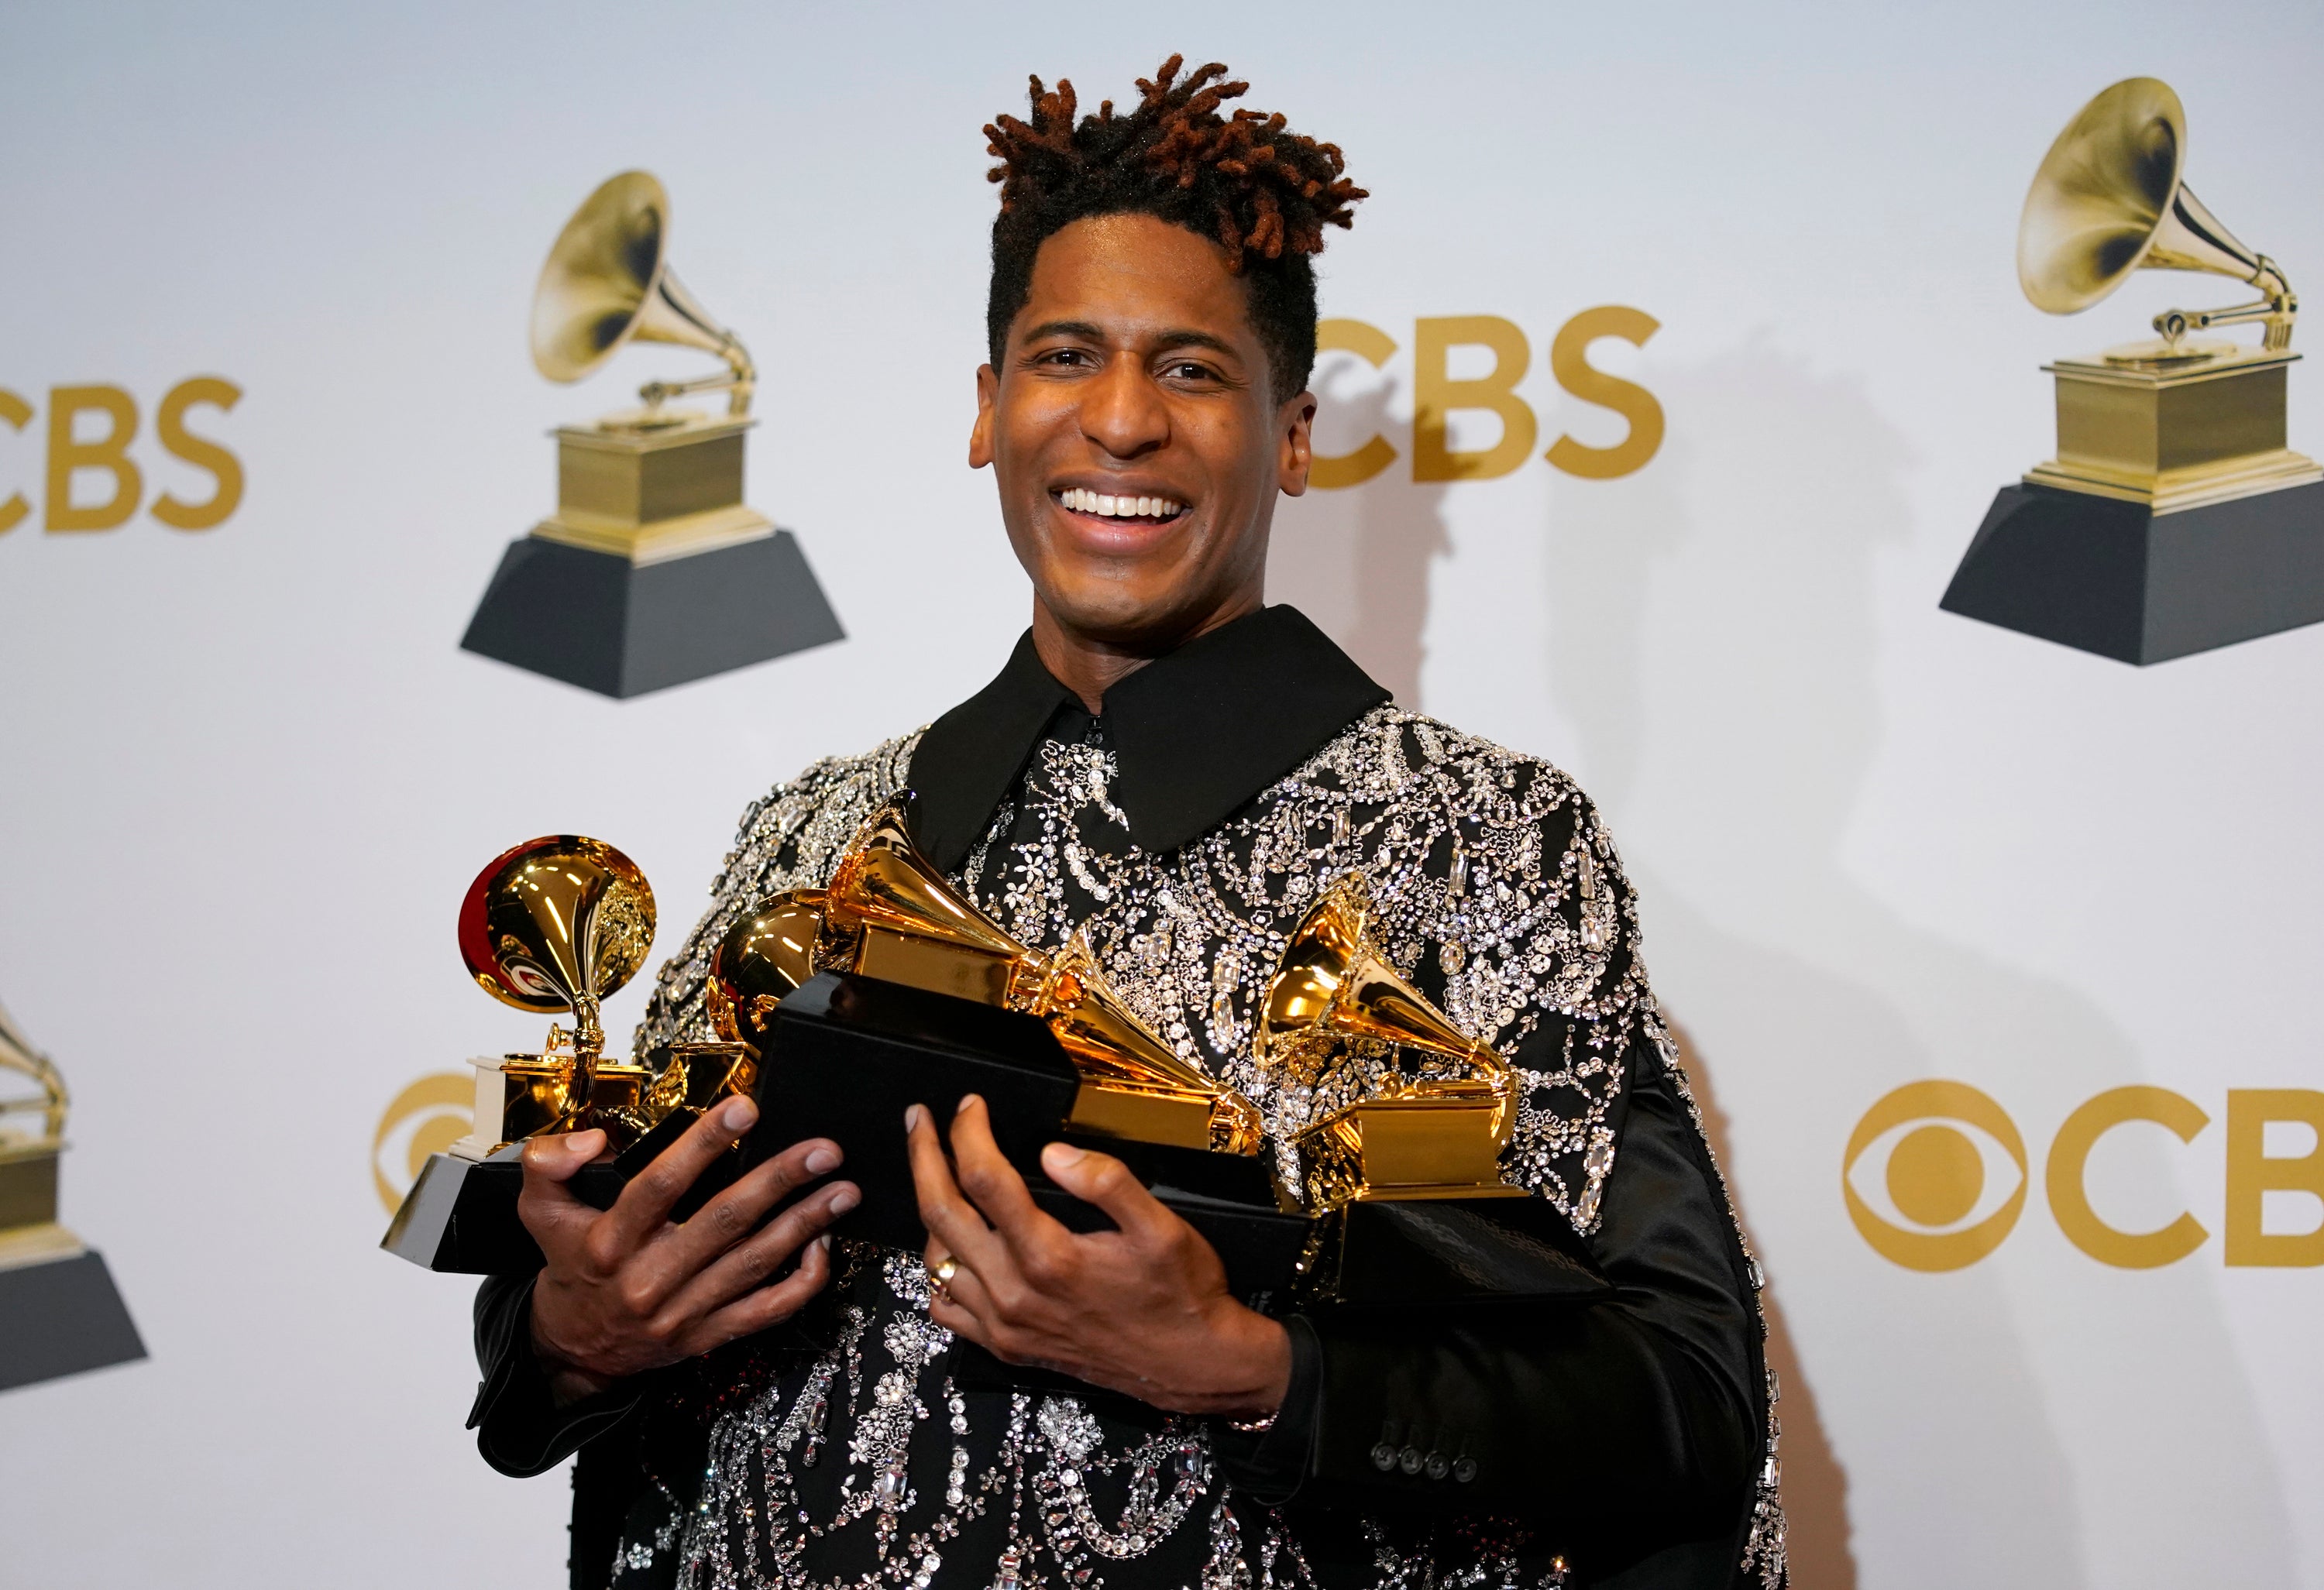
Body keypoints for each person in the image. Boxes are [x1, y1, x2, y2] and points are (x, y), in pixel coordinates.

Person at [469, 57, 1785, 1590]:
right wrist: (577, 1333)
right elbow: (556, 1341)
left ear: (1290, 435)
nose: (1118, 420)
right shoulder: (808, 836)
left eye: (1192, 371)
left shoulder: (1483, 842)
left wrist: (1250, 1367)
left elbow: (1685, 1402)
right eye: (1066, 354)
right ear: (988, 406)